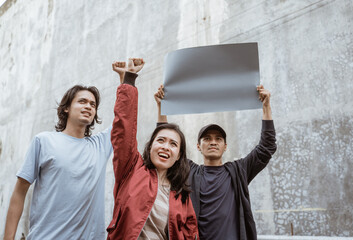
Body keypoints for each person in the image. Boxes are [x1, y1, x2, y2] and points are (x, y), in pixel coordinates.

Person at [154, 84, 277, 240]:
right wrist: (161, 107)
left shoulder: (239, 171)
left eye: (218, 139)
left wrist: (266, 106)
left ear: (225, 146)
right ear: (198, 146)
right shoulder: (189, 171)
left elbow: (267, 147)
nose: (213, 142)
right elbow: (168, 148)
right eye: (207, 139)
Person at [4, 85, 113, 240]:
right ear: (66, 108)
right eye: (82, 101)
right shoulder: (44, 141)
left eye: (93, 104)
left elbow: (124, 118)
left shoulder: (101, 145)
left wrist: (128, 78)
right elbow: (20, 192)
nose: (88, 106)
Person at [107, 59, 199, 240]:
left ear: (178, 155)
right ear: (150, 147)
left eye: (173, 144)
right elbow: (123, 129)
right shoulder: (131, 170)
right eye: (161, 140)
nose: (166, 146)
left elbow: (190, 233)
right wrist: (129, 80)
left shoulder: (181, 195)